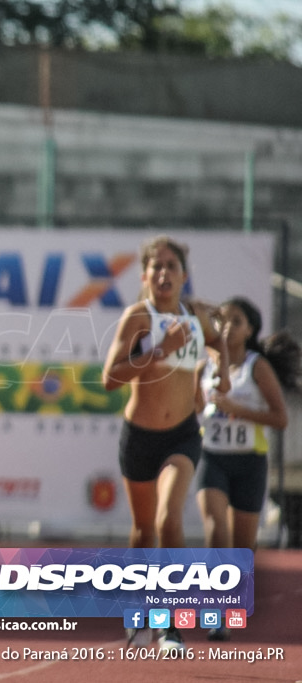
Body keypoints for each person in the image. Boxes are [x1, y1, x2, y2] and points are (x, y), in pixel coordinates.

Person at [102, 235, 221, 652]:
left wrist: (212, 375)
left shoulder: (198, 316)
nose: (164, 273)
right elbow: (109, 378)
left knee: (169, 518)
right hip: (139, 437)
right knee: (141, 532)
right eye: (157, 266)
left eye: (172, 266)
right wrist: (157, 350)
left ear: (184, 276)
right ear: (145, 275)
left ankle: (171, 626)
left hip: (183, 435)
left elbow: (220, 345)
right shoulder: (138, 317)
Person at [195, 296, 299, 640]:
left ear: (250, 330)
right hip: (212, 457)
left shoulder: (257, 366)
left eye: (236, 321)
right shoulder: (204, 365)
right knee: (214, 529)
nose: (227, 327)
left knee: (242, 545)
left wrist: (236, 408)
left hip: (249, 462)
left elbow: (280, 418)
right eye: (223, 320)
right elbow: (192, 408)